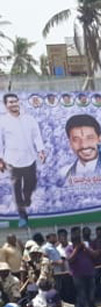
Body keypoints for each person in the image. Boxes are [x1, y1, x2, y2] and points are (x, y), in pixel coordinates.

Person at [0, 93, 46, 226]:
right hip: (12, 160)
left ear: (19, 102)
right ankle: (22, 214)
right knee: (16, 187)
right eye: (10, 102)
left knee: (31, 183)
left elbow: (37, 136)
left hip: (29, 158)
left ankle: (27, 199)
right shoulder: (2, 121)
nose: (13, 104)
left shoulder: (29, 119)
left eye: (15, 101)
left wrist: (41, 150)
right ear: (6, 105)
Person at [64, 114, 101, 181]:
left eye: (90, 138)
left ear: (100, 139)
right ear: (70, 143)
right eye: (76, 139)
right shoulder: (64, 174)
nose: (84, 145)